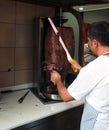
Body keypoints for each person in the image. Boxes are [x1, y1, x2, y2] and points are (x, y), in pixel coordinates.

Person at [50, 21, 109, 130]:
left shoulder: (94, 67)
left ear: (95, 43)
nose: (89, 44)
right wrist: (82, 70)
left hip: (97, 123)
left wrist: (57, 80)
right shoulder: (97, 67)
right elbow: (102, 78)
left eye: (89, 40)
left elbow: (66, 96)